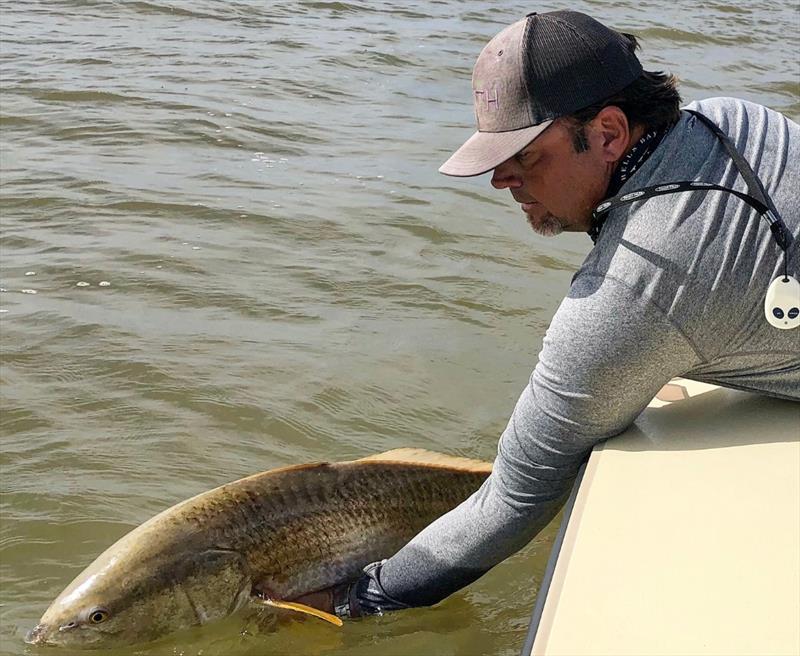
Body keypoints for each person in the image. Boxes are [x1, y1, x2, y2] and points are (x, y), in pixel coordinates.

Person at [298, 10, 800, 618]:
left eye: (525, 157)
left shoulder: (635, 295)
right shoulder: (733, 117)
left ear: (610, 133)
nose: (500, 180)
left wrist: (357, 600)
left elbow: (514, 500)